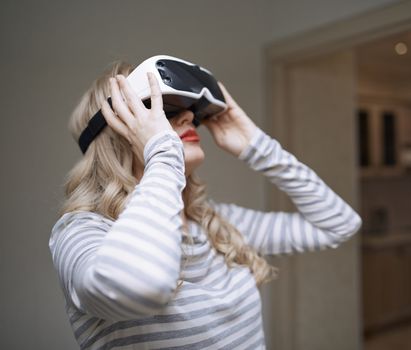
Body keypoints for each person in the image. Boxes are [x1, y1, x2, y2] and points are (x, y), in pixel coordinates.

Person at [49, 60, 362, 349]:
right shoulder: (81, 232)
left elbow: (339, 224)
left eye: (190, 111)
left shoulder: (216, 224)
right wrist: (162, 153)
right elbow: (139, 284)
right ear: (115, 132)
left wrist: (256, 144)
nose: (188, 117)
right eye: (163, 109)